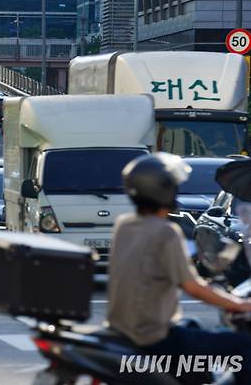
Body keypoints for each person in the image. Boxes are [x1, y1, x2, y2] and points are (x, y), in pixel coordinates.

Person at [108, 153, 251, 384]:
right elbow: (193, 287)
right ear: (165, 191)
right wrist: (240, 304)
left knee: (192, 325)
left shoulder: (124, 225)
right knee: (244, 346)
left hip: (122, 330)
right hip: (155, 338)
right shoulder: (165, 232)